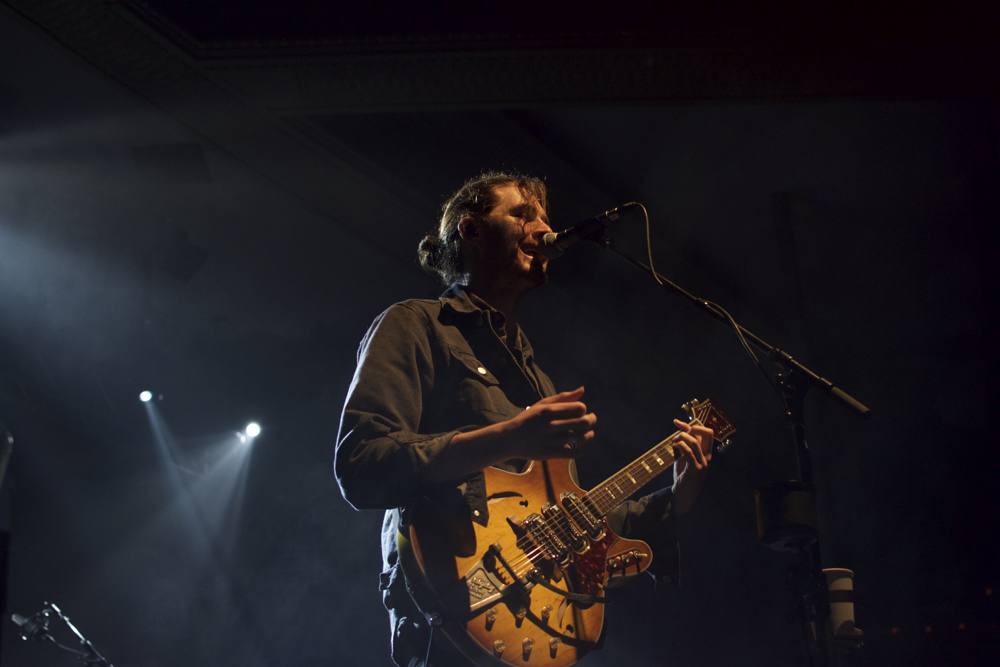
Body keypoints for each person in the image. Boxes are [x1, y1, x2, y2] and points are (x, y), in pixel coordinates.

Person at [335, 172, 713, 667]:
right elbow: (363, 465)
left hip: (531, 628)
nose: (542, 227)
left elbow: (572, 520)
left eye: (543, 217)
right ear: (470, 230)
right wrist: (509, 436)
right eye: (522, 213)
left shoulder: (540, 385)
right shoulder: (416, 324)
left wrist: (678, 494)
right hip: (453, 616)